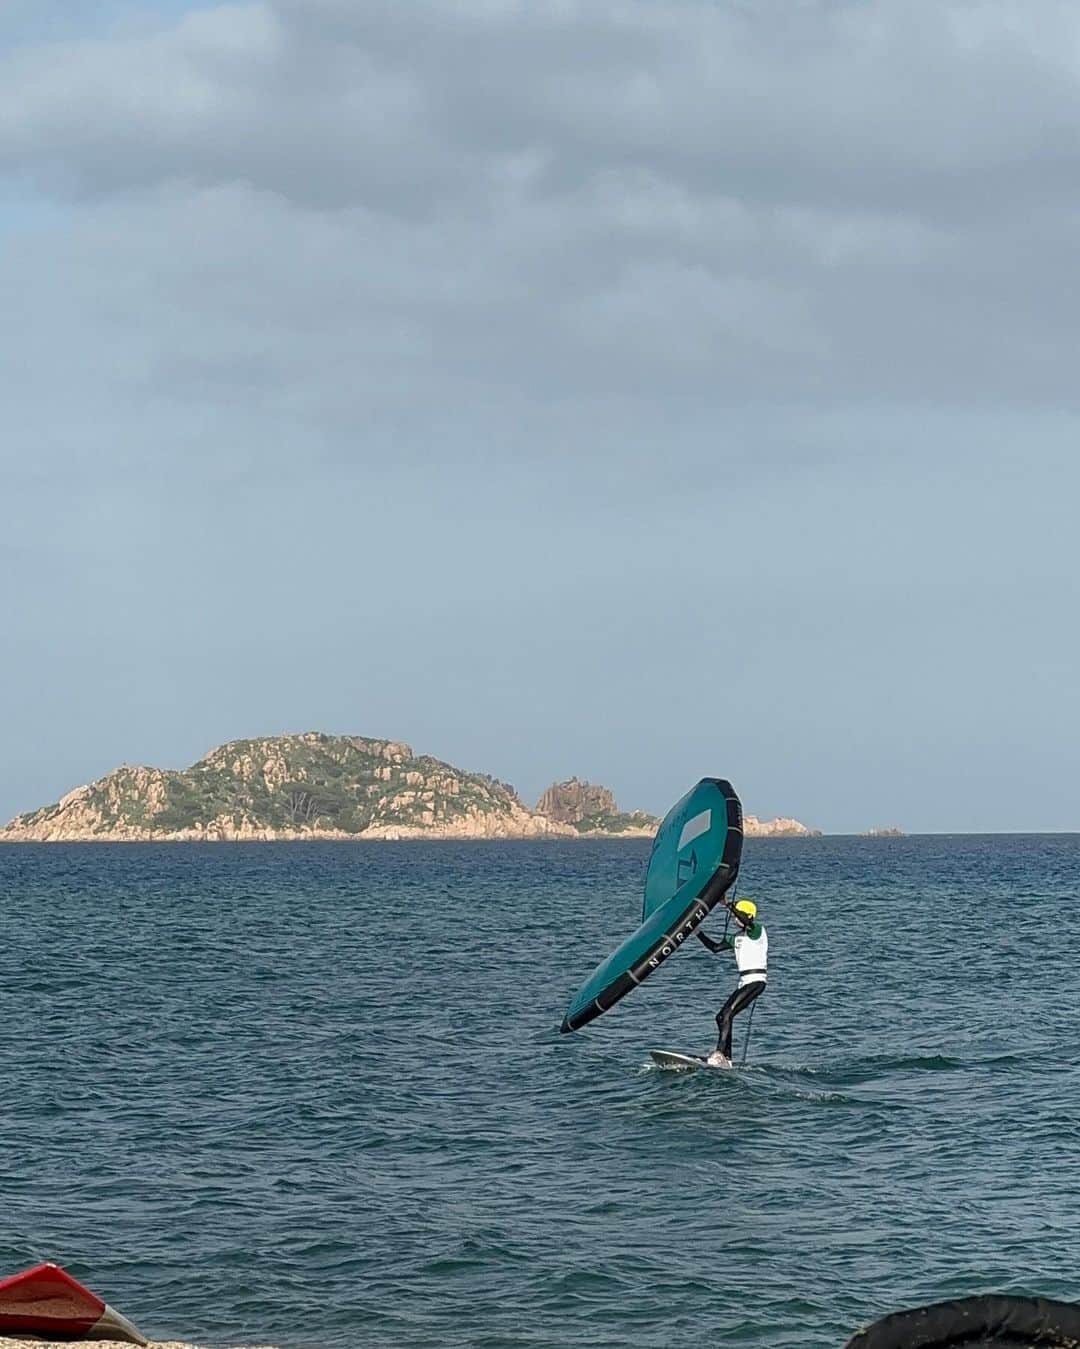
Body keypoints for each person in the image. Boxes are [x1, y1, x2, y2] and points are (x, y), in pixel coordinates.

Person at [695, 897, 767, 1067]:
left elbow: (745, 920)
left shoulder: (757, 931)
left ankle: (719, 1053)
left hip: (756, 981)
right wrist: (697, 932)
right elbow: (715, 948)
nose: (735, 919)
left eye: (739, 916)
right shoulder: (737, 938)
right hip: (744, 982)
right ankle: (727, 1059)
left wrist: (727, 904)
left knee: (727, 1014)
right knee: (721, 1017)